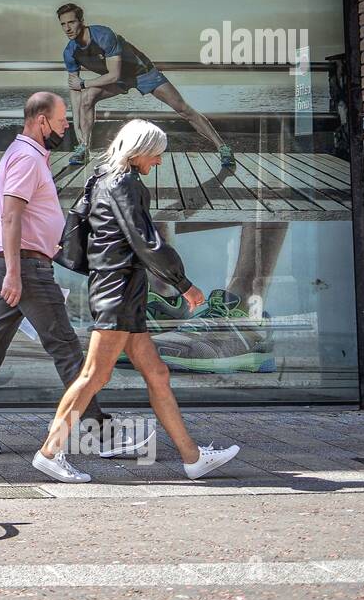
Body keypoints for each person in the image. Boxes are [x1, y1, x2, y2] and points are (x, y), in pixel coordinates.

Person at [31, 118, 241, 483]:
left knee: (157, 373)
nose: (158, 161)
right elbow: (146, 242)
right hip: (117, 292)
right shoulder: (123, 183)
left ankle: (193, 458)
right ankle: (50, 452)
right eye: (156, 154)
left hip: (122, 291)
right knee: (94, 375)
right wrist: (184, 284)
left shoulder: (101, 178)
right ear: (140, 151)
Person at [0, 92, 148, 457]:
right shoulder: (25, 158)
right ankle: (101, 434)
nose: (67, 125)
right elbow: (10, 216)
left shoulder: (28, 156)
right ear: (41, 120)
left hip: (22, 265)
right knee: (66, 348)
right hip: (28, 268)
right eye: (62, 119)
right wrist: (16, 275)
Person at [57, 3, 234, 169]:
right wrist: (76, 127)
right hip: (119, 80)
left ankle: (223, 148)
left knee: (183, 109)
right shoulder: (69, 52)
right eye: (63, 24)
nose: (68, 28)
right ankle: (84, 148)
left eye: (71, 22)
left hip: (142, 72)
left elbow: (113, 74)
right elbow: (75, 89)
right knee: (87, 98)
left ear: (81, 21)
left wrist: (84, 83)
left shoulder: (103, 35)